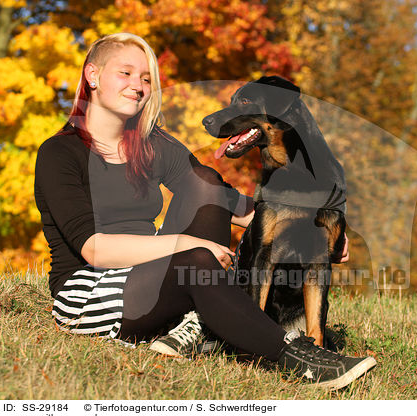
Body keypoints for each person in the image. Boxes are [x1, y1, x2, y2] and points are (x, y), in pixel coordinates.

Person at [34, 32, 376, 390]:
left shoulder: (151, 143)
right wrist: (188, 245)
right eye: (126, 73)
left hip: (150, 277)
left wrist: (313, 227)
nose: (138, 86)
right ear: (92, 75)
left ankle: (197, 325)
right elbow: (95, 249)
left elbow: (221, 198)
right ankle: (296, 358)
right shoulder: (59, 153)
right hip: (90, 290)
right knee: (197, 259)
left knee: (206, 182)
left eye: (146, 78)